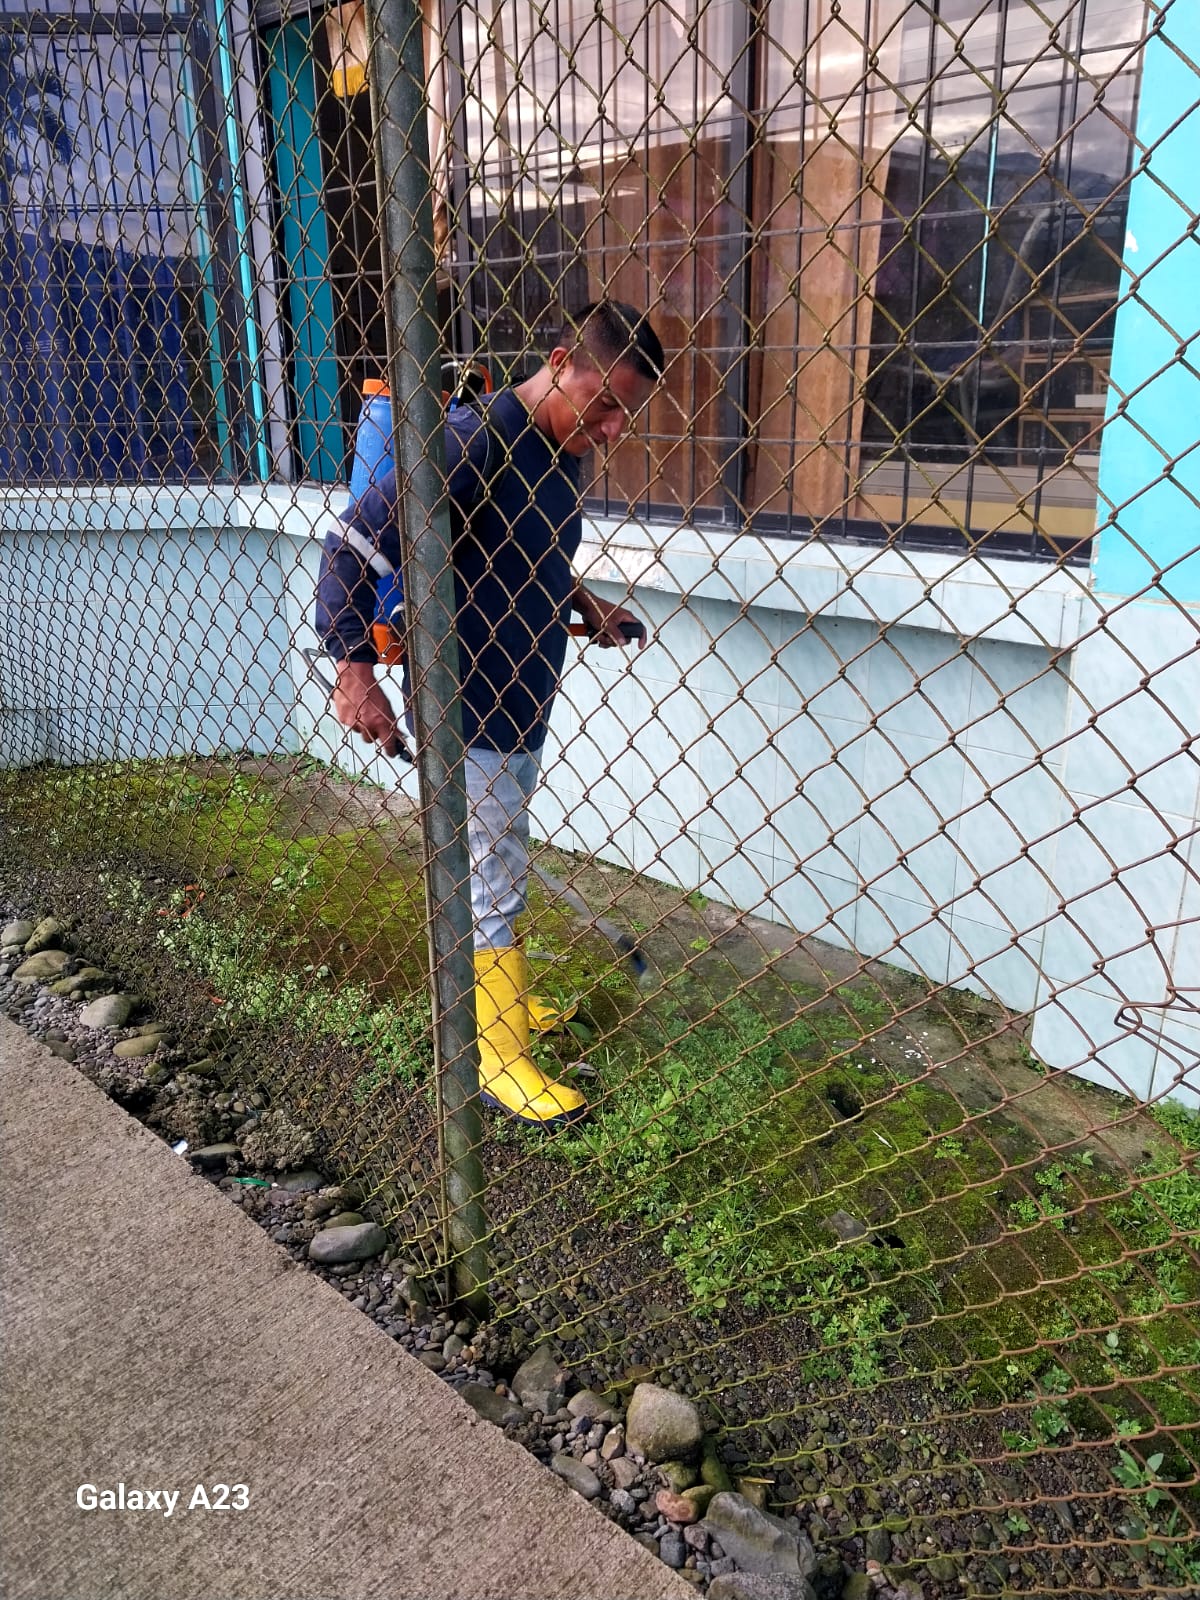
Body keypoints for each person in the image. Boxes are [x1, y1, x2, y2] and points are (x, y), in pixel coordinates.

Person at [315, 300, 664, 1128]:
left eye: (627, 412)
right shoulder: (476, 441)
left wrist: (585, 604)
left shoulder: (564, 451)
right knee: (494, 872)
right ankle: (497, 1057)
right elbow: (354, 543)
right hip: (467, 703)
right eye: (606, 403)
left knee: (495, 858)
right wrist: (353, 673)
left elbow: (529, 549)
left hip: (521, 693)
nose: (614, 429)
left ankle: (500, 1002)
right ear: (559, 362)